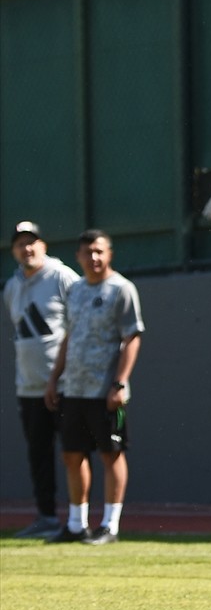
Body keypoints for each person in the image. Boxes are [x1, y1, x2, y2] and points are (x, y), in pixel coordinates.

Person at [43, 229, 145, 546]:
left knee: (110, 453)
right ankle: (77, 525)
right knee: (73, 454)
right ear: (78, 257)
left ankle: (110, 526)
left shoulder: (122, 289)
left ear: (109, 254)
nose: (94, 258)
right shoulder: (74, 291)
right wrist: (54, 378)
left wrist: (119, 382)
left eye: (99, 251)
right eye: (87, 252)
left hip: (105, 391)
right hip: (74, 388)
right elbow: (68, 338)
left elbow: (132, 337)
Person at [4, 221, 80, 539]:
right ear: (13, 251)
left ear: (44, 245)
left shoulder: (62, 276)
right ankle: (46, 516)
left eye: (32, 242)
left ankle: (80, 519)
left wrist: (61, 373)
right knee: (39, 453)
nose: (28, 248)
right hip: (29, 387)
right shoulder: (12, 286)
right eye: (21, 243)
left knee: (75, 453)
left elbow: (79, 321)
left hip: (65, 384)